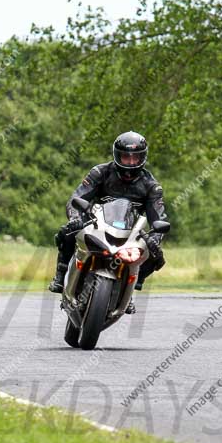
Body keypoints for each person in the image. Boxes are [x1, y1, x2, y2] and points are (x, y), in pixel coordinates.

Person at [48, 131, 167, 312]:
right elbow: (76, 197)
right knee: (67, 232)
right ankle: (60, 275)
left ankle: (130, 288)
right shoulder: (100, 172)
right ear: (116, 155)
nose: (130, 162)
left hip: (131, 233)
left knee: (156, 255)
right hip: (96, 223)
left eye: (135, 158)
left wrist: (154, 239)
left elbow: (158, 218)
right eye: (125, 157)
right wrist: (75, 219)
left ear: (143, 158)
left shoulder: (152, 186)